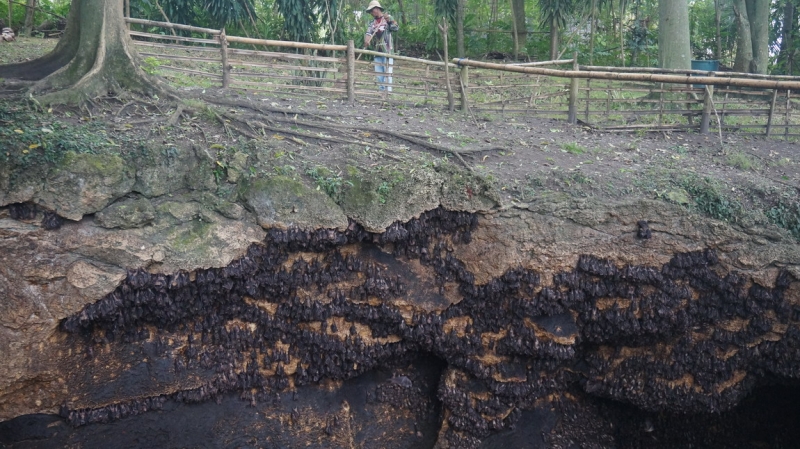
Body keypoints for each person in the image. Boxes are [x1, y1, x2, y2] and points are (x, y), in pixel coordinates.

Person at [363, 1, 398, 92]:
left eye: (372, 10)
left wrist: (389, 21)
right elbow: (368, 33)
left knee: (387, 73)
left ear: (377, 9)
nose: (371, 12)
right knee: (379, 75)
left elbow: (396, 28)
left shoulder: (388, 18)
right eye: (370, 11)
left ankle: (388, 93)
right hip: (377, 51)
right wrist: (366, 41)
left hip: (387, 50)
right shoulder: (372, 22)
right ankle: (382, 92)